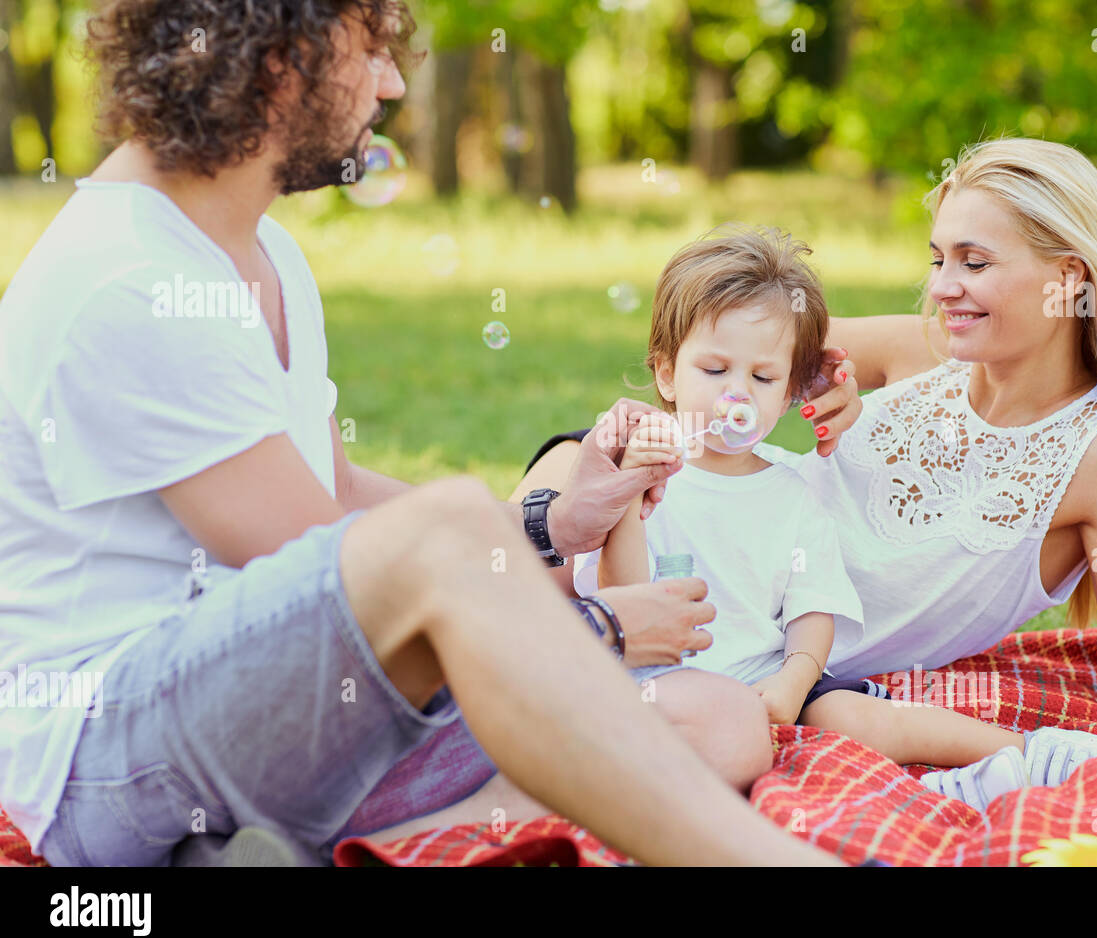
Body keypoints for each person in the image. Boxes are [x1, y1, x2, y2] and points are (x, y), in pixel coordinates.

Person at [0, 0, 845, 866]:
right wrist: (595, 626)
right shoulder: (133, 279)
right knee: (463, 545)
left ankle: (354, 848)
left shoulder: (263, 255)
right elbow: (309, 554)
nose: (393, 82)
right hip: (113, 762)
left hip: (294, 719)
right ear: (281, 57)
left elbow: (336, 492)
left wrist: (551, 524)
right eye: (370, 51)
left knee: (719, 718)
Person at [524, 139, 1097, 768]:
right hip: (683, 542)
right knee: (543, 543)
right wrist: (826, 384)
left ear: (1067, 280)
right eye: (938, 258)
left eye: (974, 262)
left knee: (536, 649)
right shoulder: (924, 348)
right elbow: (736, 337)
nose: (941, 288)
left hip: (778, 652)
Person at [572, 223, 1097, 813]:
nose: (736, 395)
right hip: (657, 676)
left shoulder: (791, 493)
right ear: (666, 373)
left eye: (762, 378)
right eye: (714, 371)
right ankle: (933, 790)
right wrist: (629, 497)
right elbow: (620, 596)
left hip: (768, 678)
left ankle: (1027, 753)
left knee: (866, 717)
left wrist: (793, 681)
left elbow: (813, 607)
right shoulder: (641, 474)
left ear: (790, 390)